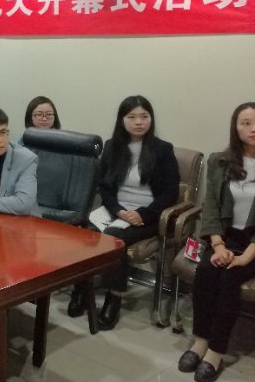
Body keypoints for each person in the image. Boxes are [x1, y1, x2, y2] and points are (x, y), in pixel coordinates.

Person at [81, 95, 179, 331]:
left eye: (144, 116)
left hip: (148, 216)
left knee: (114, 238)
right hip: (116, 211)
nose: (138, 122)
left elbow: (170, 192)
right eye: (132, 117)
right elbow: (105, 187)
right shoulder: (112, 146)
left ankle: (113, 298)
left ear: (151, 119)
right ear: (122, 120)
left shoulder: (163, 150)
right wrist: (118, 210)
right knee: (83, 233)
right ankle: (81, 290)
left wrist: (142, 214)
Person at [177, 102, 255, 382]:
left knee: (229, 278)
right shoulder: (219, 161)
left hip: (252, 243)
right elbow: (210, 206)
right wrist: (219, 246)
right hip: (224, 235)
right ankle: (200, 340)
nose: (253, 128)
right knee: (207, 271)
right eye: (246, 123)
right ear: (236, 127)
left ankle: (216, 351)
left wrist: (245, 257)